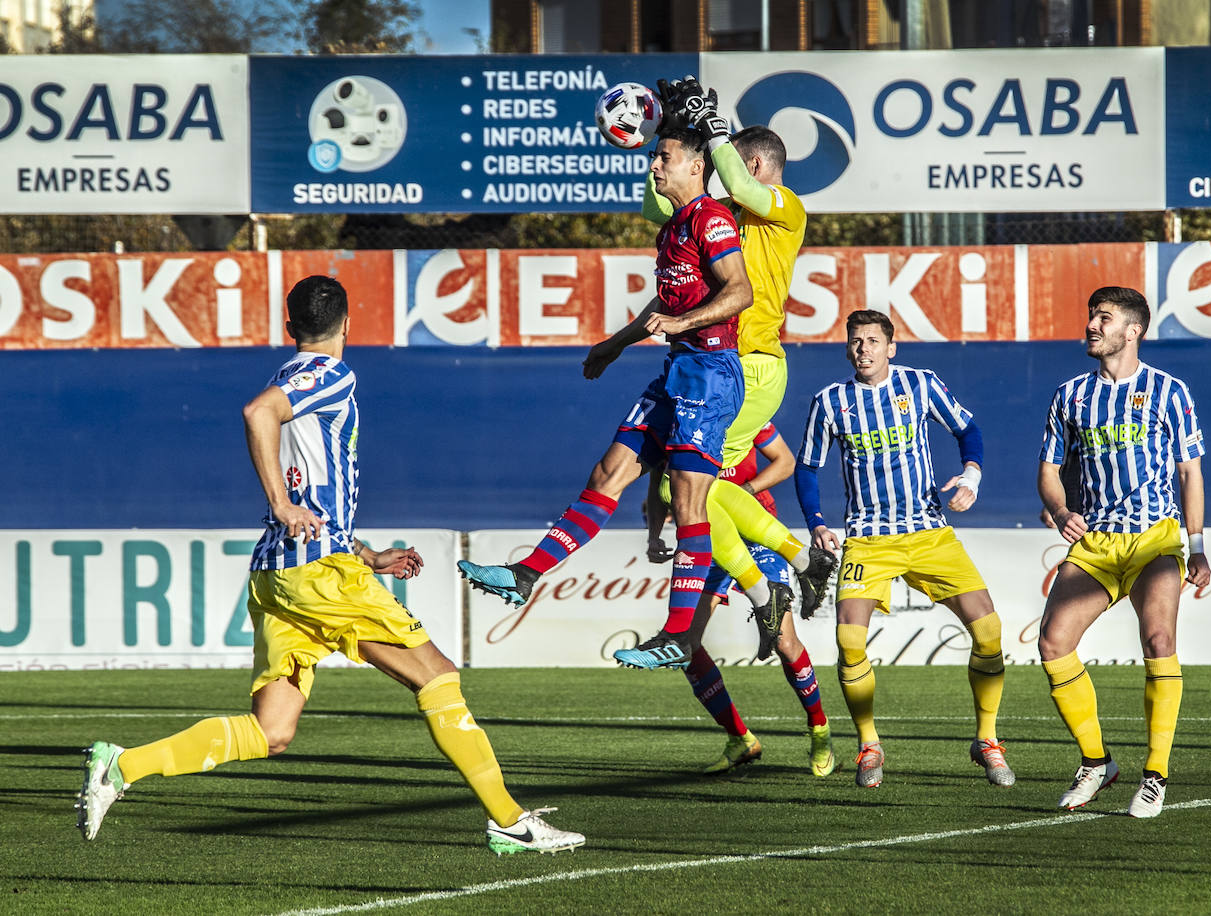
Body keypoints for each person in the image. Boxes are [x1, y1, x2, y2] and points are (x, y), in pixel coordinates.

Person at [76, 276, 584, 855]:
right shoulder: (330, 374)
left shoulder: (289, 375)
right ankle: (509, 820)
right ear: (348, 324)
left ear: (289, 327)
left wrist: (366, 554)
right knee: (438, 675)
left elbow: (305, 477)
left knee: (272, 732)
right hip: (317, 576)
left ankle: (122, 767)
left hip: (281, 574)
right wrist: (280, 502)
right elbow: (257, 414)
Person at [458, 127, 752, 671]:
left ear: (695, 166)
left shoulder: (712, 217)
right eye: (654, 157)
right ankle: (526, 575)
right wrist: (615, 344)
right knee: (607, 474)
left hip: (711, 374)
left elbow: (740, 291)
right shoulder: (673, 228)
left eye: (663, 157)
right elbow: (664, 304)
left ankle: (680, 636)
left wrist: (684, 322)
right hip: (678, 370)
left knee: (688, 504)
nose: (654, 166)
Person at [644, 77, 838, 631]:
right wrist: (661, 139)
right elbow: (656, 211)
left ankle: (767, 587)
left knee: (680, 484)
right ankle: (802, 565)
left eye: (730, 160)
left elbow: (739, 186)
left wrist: (715, 130)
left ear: (751, 164)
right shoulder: (726, 209)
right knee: (696, 485)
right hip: (725, 364)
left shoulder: (785, 206)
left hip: (751, 362)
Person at [796, 309, 1014, 790]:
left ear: (891, 347)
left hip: (928, 532)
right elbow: (807, 468)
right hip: (867, 539)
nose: (864, 349)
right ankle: (869, 743)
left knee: (990, 631)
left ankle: (987, 739)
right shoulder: (831, 401)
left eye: (873, 341)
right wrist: (816, 523)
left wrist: (971, 476)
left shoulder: (921, 384)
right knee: (849, 643)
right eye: (855, 341)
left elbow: (967, 430)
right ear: (847, 348)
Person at [1037, 286, 1209, 819]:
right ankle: (1097, 762)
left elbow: (1189, 472)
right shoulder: (1069, 395)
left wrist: (1197, 546)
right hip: (1095, 544)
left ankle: (1154, 775)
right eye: (1091, 315)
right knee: (1052, 643)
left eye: (1104, 317)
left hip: (1155, 539)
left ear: (1132, 331)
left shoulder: (1169, 391)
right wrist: (1063, 511)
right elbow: (1048, 472)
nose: (1091, 324)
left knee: (1158, 638)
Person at [646, 424, 835, 777]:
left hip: (756, 535)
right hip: (707, 538)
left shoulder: (744, 414)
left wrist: (741, 494)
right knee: (684, 642)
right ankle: (740, 739)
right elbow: (660, 482)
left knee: (784, 641)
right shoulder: (678, 424)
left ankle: (819, 729)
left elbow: (785, 462)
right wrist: (654, 534)